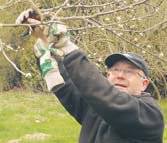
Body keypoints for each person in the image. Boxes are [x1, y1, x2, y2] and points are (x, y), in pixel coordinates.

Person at [16, 9, 164, 143]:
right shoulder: (97, 108)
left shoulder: (149, 115)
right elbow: (65, 86)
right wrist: (43, 44)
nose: (120, 75)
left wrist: (66, 47)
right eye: (115, 70)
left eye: (129, 71)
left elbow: (106, 96)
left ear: (144, 84)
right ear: (107, 76)